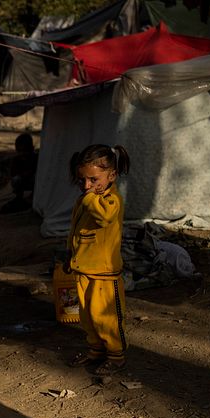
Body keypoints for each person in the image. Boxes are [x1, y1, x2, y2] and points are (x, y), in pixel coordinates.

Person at [65, 144, 130, 376]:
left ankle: (116, 355)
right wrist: (70, 254)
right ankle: (95, 350)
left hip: (104, 272)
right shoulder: (87, 198)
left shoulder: (111, 200)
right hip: (84, 269)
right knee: (88, 316)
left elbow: (104, 217)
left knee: (107, 318)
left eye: (93, 179)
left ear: (112, 175)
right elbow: (76, 230)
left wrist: (90, 197)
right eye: (82, 180)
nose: (86, 186)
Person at [1, 133, 38, 213]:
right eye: (20, 151)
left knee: (37, 178)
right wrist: (24, 175)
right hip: (23, 181)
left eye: (25, 150)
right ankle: (19, 197)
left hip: (34, 181)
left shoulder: (36, 158)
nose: (22, 153)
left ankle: (33, 196)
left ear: (32, 149)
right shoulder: (16, 160)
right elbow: (13, 175)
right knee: (16, 179)